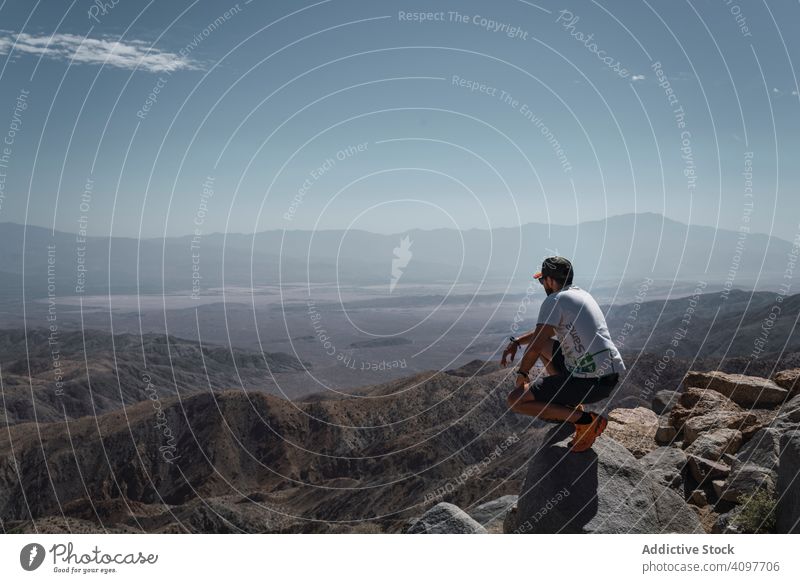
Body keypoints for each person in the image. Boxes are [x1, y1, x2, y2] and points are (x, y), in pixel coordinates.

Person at [501, 256, 625, 452]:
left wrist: (521, 375)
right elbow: (540, 337)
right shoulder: (580, 295)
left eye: (542, 281)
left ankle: (586, 421)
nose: (543, 285)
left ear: (549, 280)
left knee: (516, 399)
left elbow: (534, 347)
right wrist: (517, 341)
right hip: (606, 376)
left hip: (590, 382)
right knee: (544, 345)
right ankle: (571, 406)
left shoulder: (554, 300)